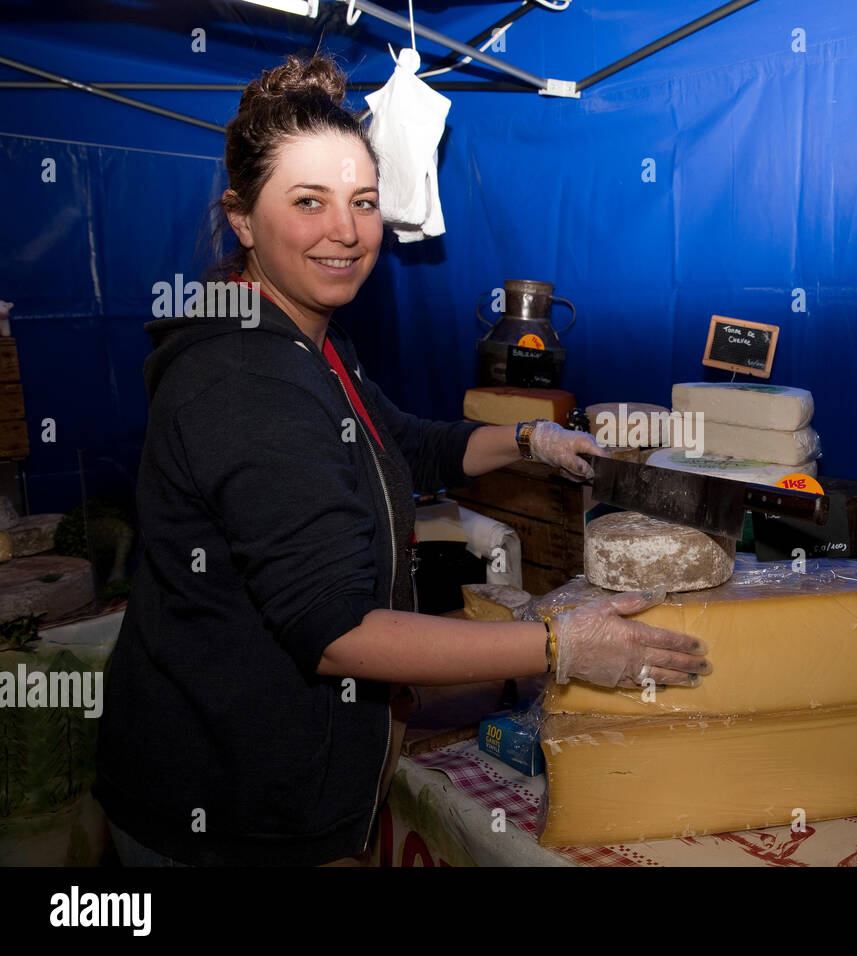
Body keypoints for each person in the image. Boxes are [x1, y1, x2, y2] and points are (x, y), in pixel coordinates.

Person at [93, 54, 710, 867]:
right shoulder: (244, 378)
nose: (345, 232)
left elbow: (414, 443)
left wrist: (534, 442)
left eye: (364, 203)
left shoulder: (309, 341)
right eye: (307, 202)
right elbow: (339, 633)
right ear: (242, 219)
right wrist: (562, 644)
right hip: (226, 811)